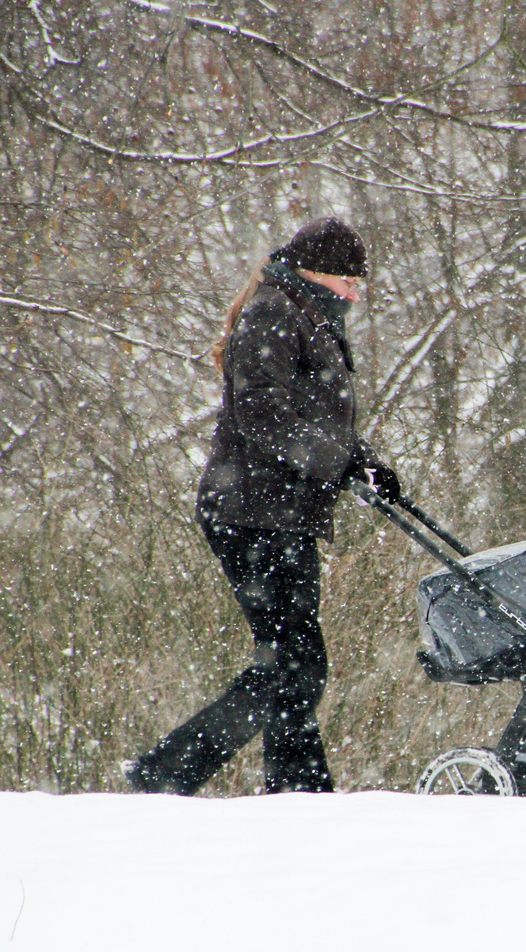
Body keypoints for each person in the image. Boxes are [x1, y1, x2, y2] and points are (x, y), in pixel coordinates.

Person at [125, 216, 401, 795]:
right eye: (350, 282)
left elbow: (315, 419)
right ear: (317, 273)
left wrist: (365, 462)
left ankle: (294, 794)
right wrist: (337, 460)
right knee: (293, 664)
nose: (356, 294)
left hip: (276, 513)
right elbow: (262, 414)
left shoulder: (305, 316)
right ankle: (170, 772)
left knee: (295, 664)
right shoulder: (276, 313)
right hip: (252, 512)